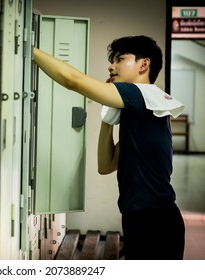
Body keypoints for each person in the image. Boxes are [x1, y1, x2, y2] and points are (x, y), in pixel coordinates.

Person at [33, 35, 185, 260]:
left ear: (144, 64)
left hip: (154, 222)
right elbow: (105, 165)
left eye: (120, 59)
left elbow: (72, 79)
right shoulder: (141, 108)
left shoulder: (140, 95)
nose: (111, 66)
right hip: (141, 219)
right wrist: (108, 114)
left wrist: (29, 47)